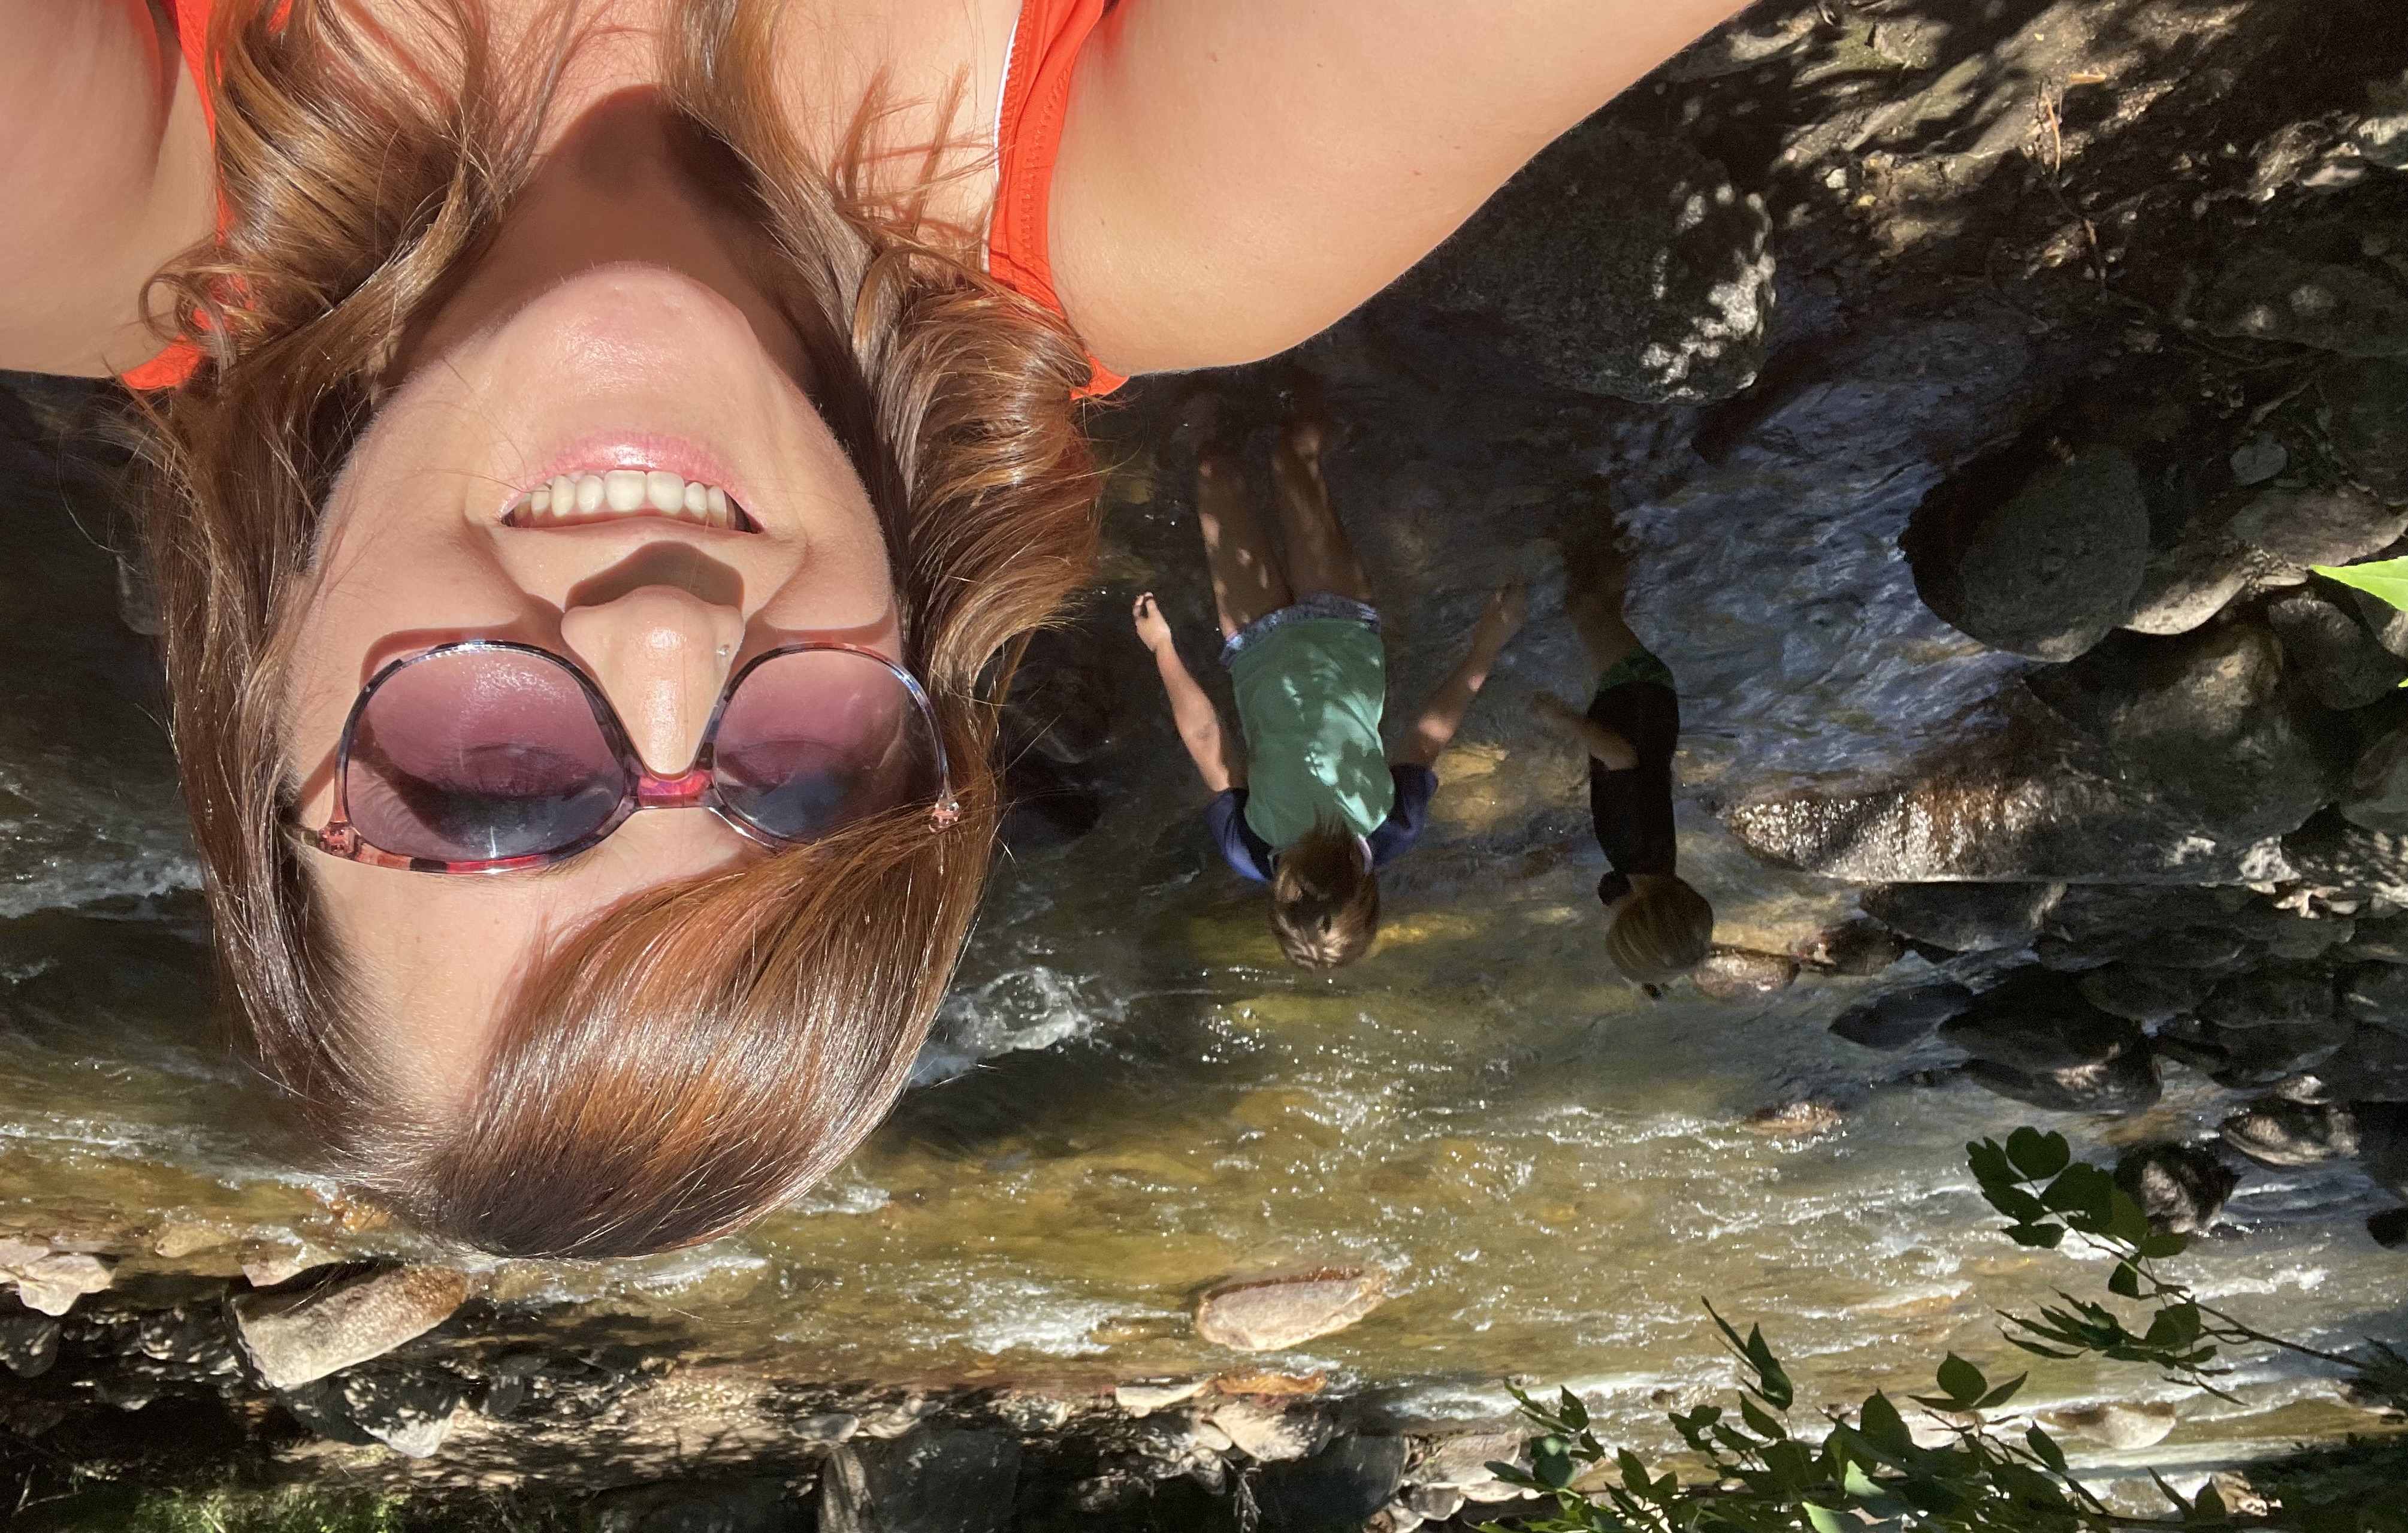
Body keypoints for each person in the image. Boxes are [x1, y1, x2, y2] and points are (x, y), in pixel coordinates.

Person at [4, 0, 1745, 1256]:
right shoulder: (1153, 194)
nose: (677, 647)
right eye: (807, 778)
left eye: (489, 769)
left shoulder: (131, 193)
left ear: (257, 693)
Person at [1133, 396, 1524, 967]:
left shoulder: (1253, 849)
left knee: (1213, 469)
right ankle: (1321, 376)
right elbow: (1428, 734)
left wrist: (1164, 648)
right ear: (1361, 887)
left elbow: (1209, 742)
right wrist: (1489, 640)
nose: (1299, 875)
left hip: (1256, 642)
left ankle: (1208, 386)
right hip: (1343, 628)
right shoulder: (1394, 826)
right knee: (1294, 456)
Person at [1530, 533, 1714, 991]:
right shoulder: (1632, 847)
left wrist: (1657, 978)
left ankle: (1611, 551)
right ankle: (1604, 522)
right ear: (1636, 911)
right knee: (1585, 606)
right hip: (1635, 695)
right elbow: (1620, 755)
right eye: (1615, 928)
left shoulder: (1655, 869)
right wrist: (1562, 718)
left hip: (1650, 708)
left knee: (1600, 610)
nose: (1606, 923)